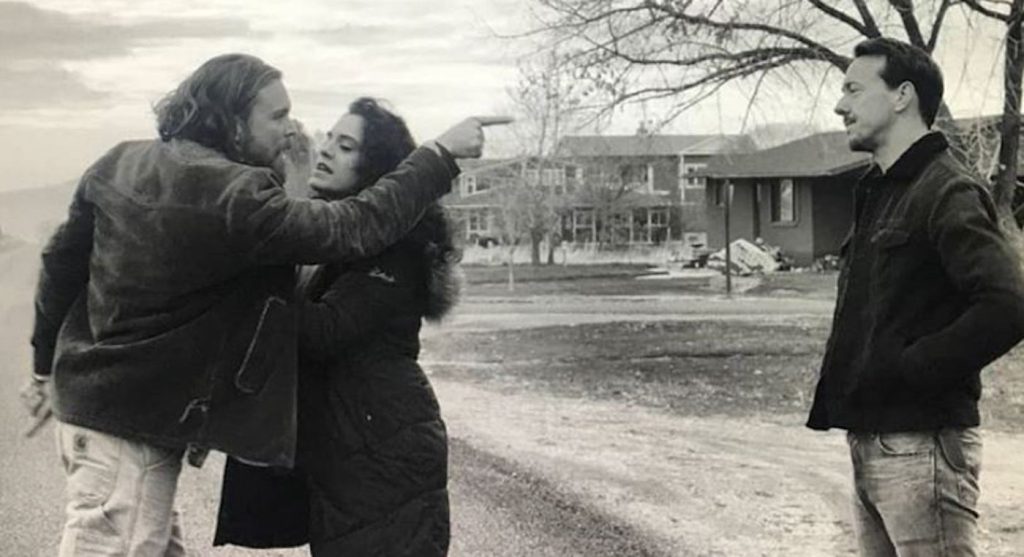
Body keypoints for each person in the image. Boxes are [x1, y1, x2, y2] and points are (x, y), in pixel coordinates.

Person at [21, 53, 494, 556]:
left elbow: (59, 264)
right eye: (277, 116)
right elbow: (349, 230)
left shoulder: (119, 160)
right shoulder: (234, 193)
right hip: (127, 427)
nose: (292, 131)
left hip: (100, 414)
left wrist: (44, 366)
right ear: (232, 122)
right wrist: (439, 155)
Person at [806, 37, 1024, 556]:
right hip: (872, 442)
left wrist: (915, 368)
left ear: (902, 96)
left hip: (921, 447)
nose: (840, 105)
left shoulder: (945, 188)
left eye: (854, 89)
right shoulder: (883, 190)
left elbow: (1009, 302)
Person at [214, 98, 459, 556]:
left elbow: (324, 331)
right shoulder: (328, 243)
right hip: (347, 450)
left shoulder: (397, 250)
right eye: (329, 139)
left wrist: (241, 285)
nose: (326, 151)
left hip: (384, 451)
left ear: (376, 167)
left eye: (345, 146)